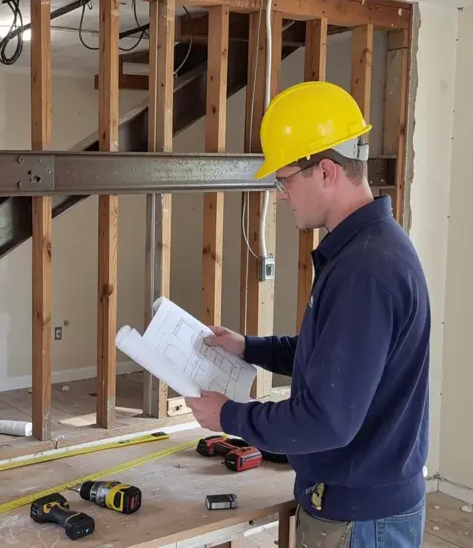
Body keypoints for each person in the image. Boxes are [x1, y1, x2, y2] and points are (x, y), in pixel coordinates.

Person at [184, 81, 430, 548]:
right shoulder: (365, 250)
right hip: (359, 504)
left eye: (285, 178)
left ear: (327, 171)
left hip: (360, 518)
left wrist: (229, 416)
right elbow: (336, 359)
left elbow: (326, 420)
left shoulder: (365, 270)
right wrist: (249, 348)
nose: (280, 195)